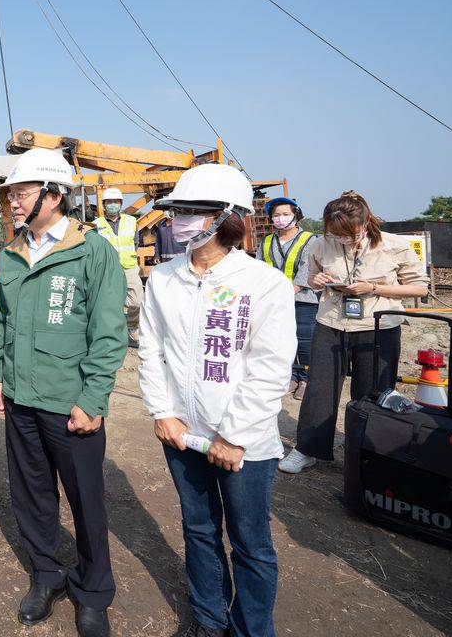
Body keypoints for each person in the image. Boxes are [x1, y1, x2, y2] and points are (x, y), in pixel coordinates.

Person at [138, 164, 297, 637]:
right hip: (181, 434)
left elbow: (271, 369)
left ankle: (250, 629)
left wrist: (234, 436)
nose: (180, 219)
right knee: (199, 530)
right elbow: (151, 349)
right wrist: (161, 412)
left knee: (250, 543)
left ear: (227, 217)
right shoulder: (164, 279)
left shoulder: (265, 284)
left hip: (242, 445)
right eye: (177, 211)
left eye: (192, 211)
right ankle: (208, 618)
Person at [0, 149, 127, 637]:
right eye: (12, 195)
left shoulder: (92, 252)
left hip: (70, 403)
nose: (14, 202)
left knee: (87, 501)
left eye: (22, 193)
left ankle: (93, 591)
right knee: (31, 495)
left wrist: (93, 400)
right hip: (21, 397)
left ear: (55, 195)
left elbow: (109, 332)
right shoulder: (11, 253)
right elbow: (2, 320)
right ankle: (46, 575)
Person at [280, 191, 428, 474]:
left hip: (378, 326)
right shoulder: (321, 244)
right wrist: (318, 280)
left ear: (365, 222)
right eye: (336, 234)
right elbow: (312, 279)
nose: (343, 240)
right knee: (320, 389)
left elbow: (419, 288)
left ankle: (366, 452)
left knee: (372, 390)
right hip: (331, 322)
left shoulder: (393, 245)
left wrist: (373, 288)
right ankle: (307, 449)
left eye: (349, 234)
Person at [255, 197, 318, 400]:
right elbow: (259, 269)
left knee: (305, 341)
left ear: (296, 215)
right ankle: (290, 376)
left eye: (285, 214)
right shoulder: (266, 242)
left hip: (303, 300)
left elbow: (307, 269)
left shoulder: (309, 239)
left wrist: (291, 289)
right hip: (274, 301)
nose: (280, 219)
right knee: (280, 340)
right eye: (276, 215)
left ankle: (306, 379)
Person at [93, 187, 143, 345]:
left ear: (121, 203)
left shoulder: (131, 221)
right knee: (109, 303)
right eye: (109, 202)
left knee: (137, 301)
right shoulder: (96, 224)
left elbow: (135, 243)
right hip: (108, 269)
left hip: (129, 267)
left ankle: (132, 326)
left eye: (115, 202)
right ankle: (112, 333)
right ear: (104, 204)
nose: (112, 204)